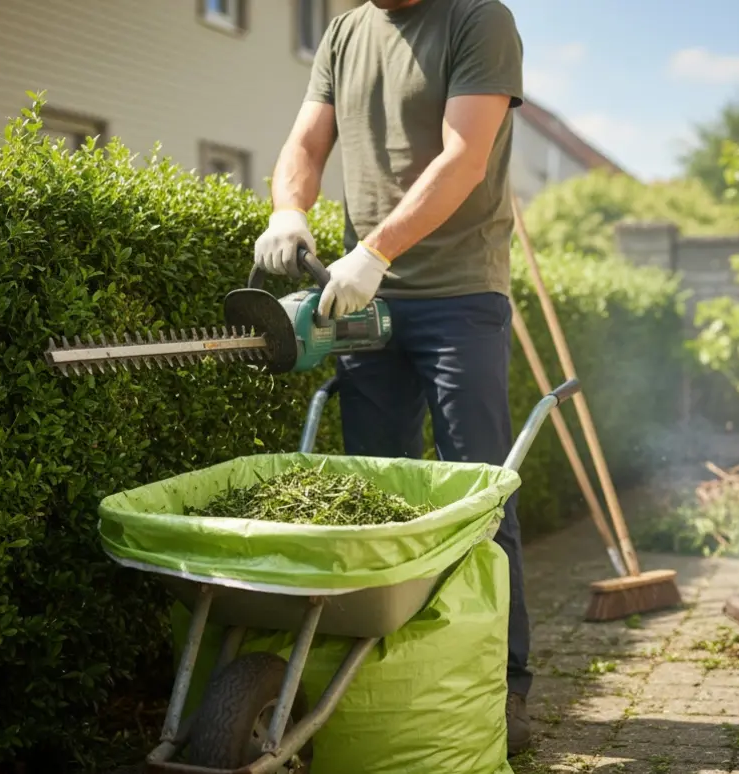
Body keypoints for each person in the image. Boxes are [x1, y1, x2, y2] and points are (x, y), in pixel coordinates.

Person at [251, 0, 533, 754]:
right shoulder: (346, 31)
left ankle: (504, 687)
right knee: (372, 498)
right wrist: (289, 209)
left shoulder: (479, 20)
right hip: (358, 299)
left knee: (479, 495)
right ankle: (387, 677)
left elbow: (464, 157)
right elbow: (305, 142)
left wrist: (376, 250)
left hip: (459, 295)